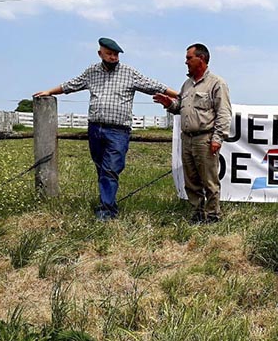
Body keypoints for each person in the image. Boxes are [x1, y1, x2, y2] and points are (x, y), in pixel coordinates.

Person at [34, 38, 177, 221]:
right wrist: (50, 92)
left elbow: (155, 86)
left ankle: (106, 212)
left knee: (110, 169)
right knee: (101, 168)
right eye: (109, 54)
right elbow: (71, 84)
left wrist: (179, 95)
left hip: (118, 130)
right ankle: (107, 202)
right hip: (95, 128)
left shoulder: (129, 73)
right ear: (100, 53)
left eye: (115, 54)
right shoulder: (92, 72)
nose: (113, 57)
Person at [153, 43, 232, 224]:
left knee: (209, 181)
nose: (186, 62)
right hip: (187, 139)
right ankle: (197, 214)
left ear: (201, 59)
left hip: (205, 138)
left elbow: (224, 113)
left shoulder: (217, 83)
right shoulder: (187, 84)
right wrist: (169, 104)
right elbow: (180, 108)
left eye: (189, 58)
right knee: (191, 181)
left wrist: (217, 139)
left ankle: (213, 216)